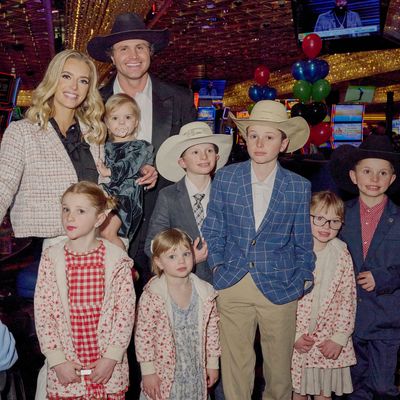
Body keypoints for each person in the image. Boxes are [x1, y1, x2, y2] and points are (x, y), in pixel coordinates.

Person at [202, 100, 315, 400]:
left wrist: (303, 277)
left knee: (278, 372)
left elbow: (303, 240)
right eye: (254, 135)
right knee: (236, 369)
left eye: (269, 136)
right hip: (233, 283)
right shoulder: (226, 178)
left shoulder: (298, 186)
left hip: (280, 286)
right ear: (245, 138)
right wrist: (217, 267)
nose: (260, 143)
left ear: (284, 142)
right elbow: (213, 228)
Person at [87, 12, 197, 276]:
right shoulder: (93, 104)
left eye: (140, 47)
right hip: (111, 222)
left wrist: (164, 169)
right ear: (112, 56)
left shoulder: (180, 98)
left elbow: (195, 156)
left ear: (151, 51)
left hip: (167, 224)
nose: (133, 55)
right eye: (123, 48)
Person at [34, 181, 136, 399]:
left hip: (107, 367)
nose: (70, 217)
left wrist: (111, 357)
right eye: (66, 209)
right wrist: (57, 360)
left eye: (80, 211)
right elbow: (44, 313)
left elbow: (125, 313)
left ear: (99, 218)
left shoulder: (117, 260)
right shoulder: (51, 258)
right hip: (67, 366)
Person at [0, 49, 106, 243]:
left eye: (83, 81)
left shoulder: (94, 134)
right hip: (39, 243)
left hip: (89, 243)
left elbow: (104, 189)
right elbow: (2, 186)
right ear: (53, 79)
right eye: (66, 76)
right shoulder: (21, 132)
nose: (74, 86)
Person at [330, 134, 400, 400]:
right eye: (367, 171)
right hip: (348, 321)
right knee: (351, 387)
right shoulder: (338, 216)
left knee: (382, 387)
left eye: (383, 173)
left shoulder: (399, 218)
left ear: (392, 179)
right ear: (353, 176)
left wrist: (384, 278)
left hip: (386, 319)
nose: (374, 179)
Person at [135, 228, 220, 400]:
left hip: (195, 373)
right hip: (163, 373)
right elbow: (143, 337)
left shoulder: (205, 292)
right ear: (158, 262)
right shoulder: (152, 295)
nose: (181, 261)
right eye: (172, 257)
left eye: (186, 254)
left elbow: (212, 332)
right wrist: (148, 371)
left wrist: (212, 364)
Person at [144, 121, 232, 283]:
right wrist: (187, 258)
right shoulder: (168, 196)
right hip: (184, 282)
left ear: (217, 157)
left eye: (209, 150)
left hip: (224, 280)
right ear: (182, 162)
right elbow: (152, 244)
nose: (203, 157)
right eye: (195, 152)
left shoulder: (227, 194)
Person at [291, 190, 356, 400]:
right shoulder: (292, 250)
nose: (326, 227)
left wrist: (339, 338)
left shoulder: (342, 253)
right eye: (319, 219)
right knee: (297, 393)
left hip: (327, 341)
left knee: (323, 394)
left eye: (334, 221)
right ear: (306, 217)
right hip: (298, 340)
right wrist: (293, 336)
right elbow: (281, 301)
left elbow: (348, 299)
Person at [97, 93, 154, 251]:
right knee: (100, 235)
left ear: (136, 122)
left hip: (126, 197)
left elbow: (129, 163)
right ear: (107, 123)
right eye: (115, 118)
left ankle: (126, 267)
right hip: (106, 196)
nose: (121, 122)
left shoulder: (140, 146)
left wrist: (109, 171)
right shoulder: (103, 146)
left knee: (110, 232)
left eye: (128, 117)